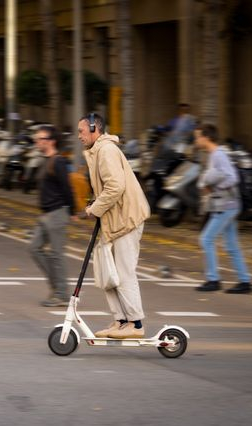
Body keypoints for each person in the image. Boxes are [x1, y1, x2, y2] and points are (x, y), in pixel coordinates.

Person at [79, 113, 151, 339]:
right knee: (108, 272)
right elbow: (108, 188)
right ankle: (120, 321)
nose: (79, 136)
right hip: (114, 221)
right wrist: (95, 204)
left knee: (124, 272)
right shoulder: (97, 151)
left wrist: (95, 209)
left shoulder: (106, 151)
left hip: (126, 220)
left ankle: (136, 325)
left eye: (82, 131)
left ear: (94, 129)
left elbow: (115, 187)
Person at [194, 123, 252, 294]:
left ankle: (213, 280)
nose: (196, 140)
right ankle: (245, 282)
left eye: (198, 136)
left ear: (206, 137)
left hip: (226, 206)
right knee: (232, 245)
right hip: (228, 205)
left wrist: (214, 187)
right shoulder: (215, 154)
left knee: (206, 239)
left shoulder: (219, 155)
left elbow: (232, 178)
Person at [29, 125, 76, 307]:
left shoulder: (58, 162)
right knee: (34, 248)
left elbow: (67, 188)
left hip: (57, 213)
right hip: (45, 214)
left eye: (41, 139)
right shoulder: (44, 160)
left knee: (57, 255)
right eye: (37, 139)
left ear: (51, 141)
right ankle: (57, 286)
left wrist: (71, 211)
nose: (38, 141)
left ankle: (62, 294)